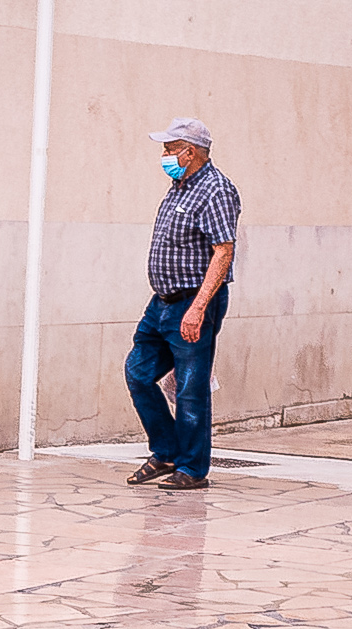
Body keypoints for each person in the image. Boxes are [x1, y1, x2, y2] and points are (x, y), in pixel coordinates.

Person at [124, 117, 240, 491]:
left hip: (192, 301)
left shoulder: (215, 190)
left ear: (189, 152)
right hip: (161, 302)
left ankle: (192, 468)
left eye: (169, 149)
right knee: (138, 373)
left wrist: (198, 307)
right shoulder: (179, 187)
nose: (164, 156)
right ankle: (167, 451)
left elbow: (223, 252)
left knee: (191, 388)